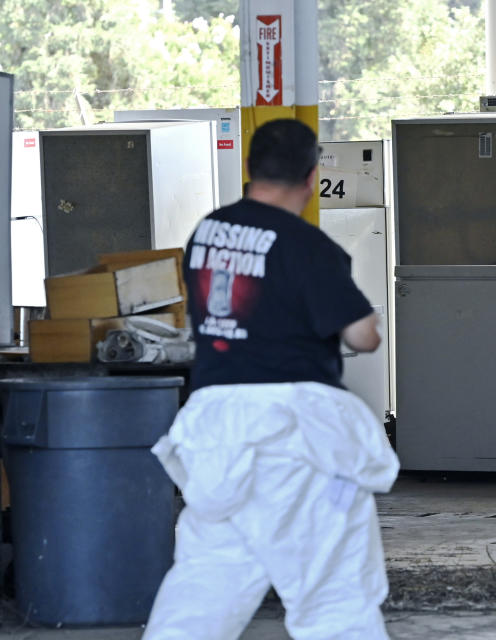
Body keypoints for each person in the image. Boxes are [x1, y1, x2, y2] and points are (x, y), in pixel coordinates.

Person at [142, 119, 400, 640]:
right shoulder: (306, 245)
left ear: (249, 168)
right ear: (310, 178)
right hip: (294, 433)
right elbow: (362, 335)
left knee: (205, 584)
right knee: (332, 591)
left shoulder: (206, 233)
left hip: (214, 428)